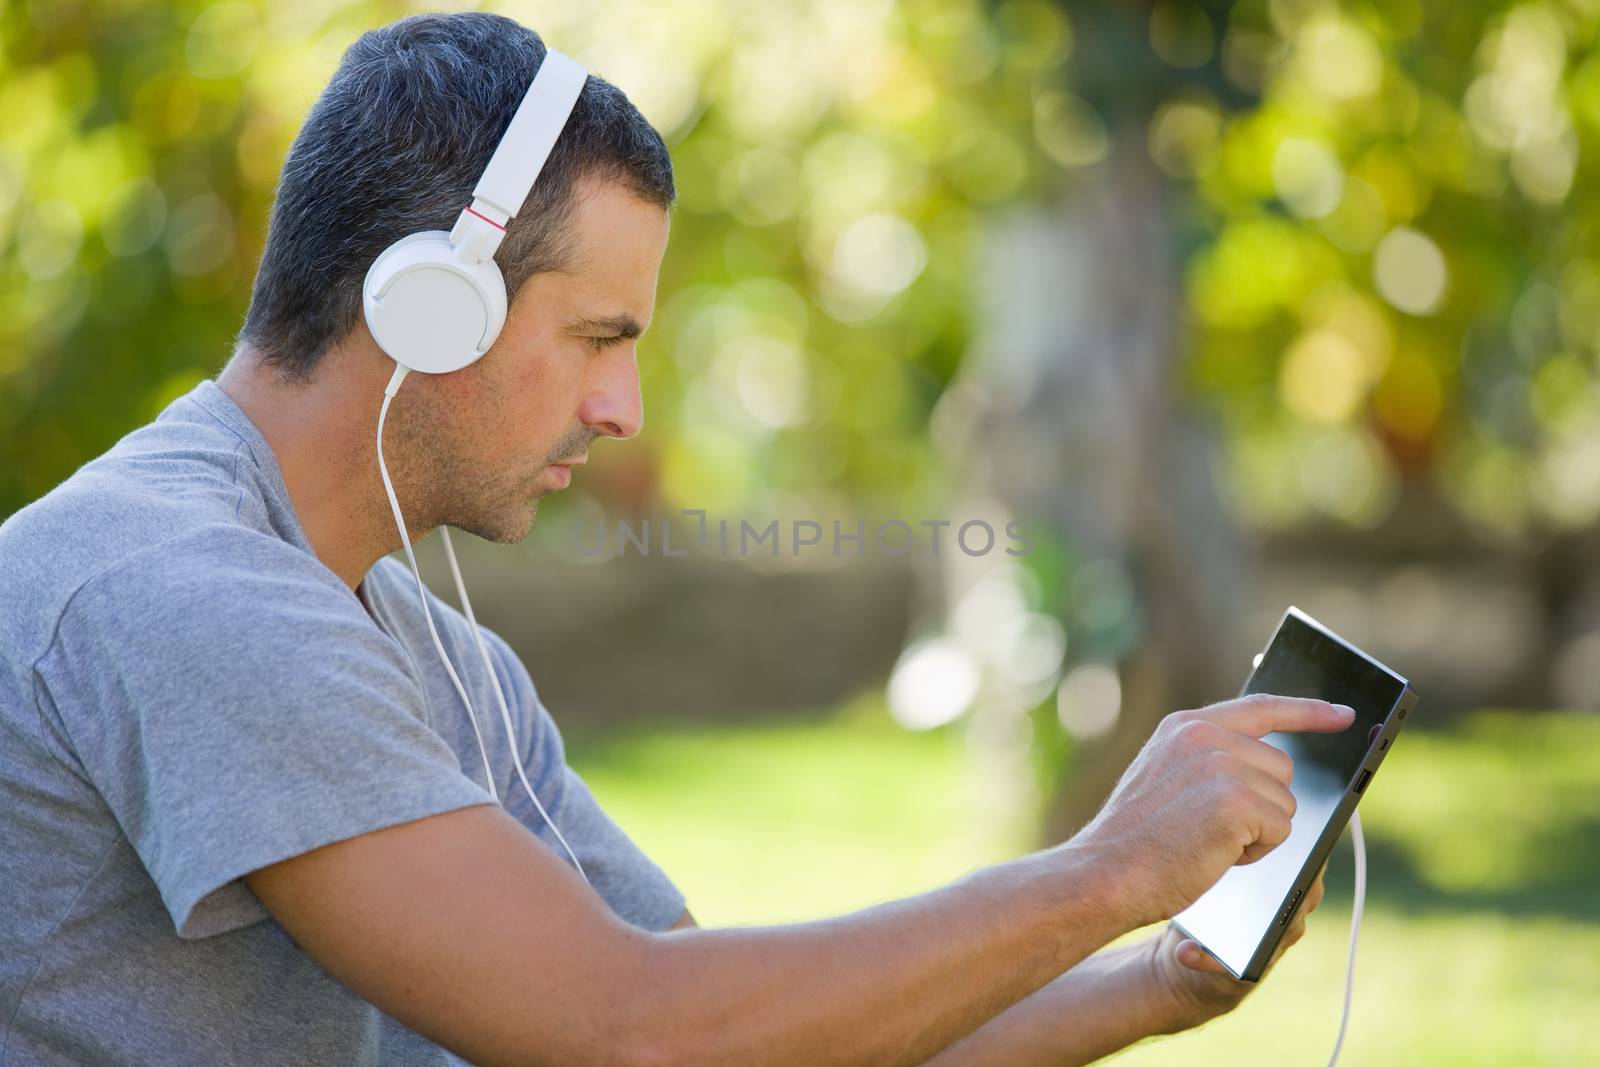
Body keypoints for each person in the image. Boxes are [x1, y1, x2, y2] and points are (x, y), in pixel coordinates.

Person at [0, 12, 1351, 1066]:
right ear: (429, 309)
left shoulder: (429, 655)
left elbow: (750, 1038)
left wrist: (1152, 983)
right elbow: (634, 1034)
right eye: (598, 338)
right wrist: (1103, 872)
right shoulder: (182, 594)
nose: (622, 410)